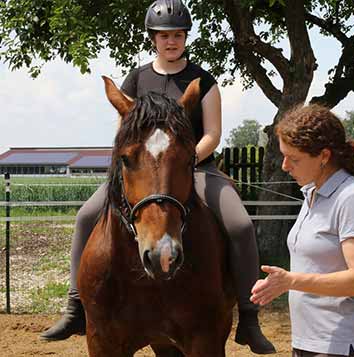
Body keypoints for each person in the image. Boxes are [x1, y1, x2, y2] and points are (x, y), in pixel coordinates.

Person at [40, 0, 276, 354]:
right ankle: (75, 306)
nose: (171, 42)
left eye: (178, 35)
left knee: (240, 225)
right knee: (86, 215)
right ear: (154, 38)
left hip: (193, 167)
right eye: (165, 36)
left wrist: (184, 159)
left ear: (185, 38)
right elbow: (125, 133)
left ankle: (249, 316)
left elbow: (212, 133)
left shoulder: (203, 81)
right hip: (141, 171)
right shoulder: (136, 78)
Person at [250, 104, 354, 357]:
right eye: (283, 155)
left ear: (324, 156)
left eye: (295, 158)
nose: (285, 166)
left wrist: (290, 281)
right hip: (312, 342)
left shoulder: (352, 198)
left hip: (344, 344)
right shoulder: (313, 193)